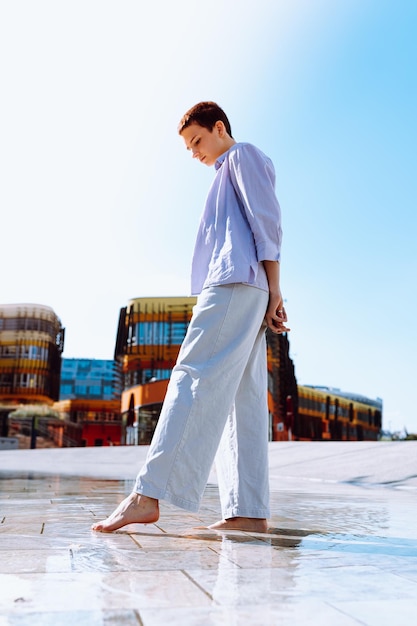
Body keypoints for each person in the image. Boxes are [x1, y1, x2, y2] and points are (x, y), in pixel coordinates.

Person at [92, 101, 289, 534]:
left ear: (220, 128)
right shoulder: (225, 171)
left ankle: (148, 495)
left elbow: (267, 224)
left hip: (237, 283)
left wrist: (275, 290)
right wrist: (270, 293)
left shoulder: (242, 155)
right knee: (243, 398)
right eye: (188, 148)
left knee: (192, 374)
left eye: (198, 141)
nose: (195, 152)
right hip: (247, 285)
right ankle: (247, 513)